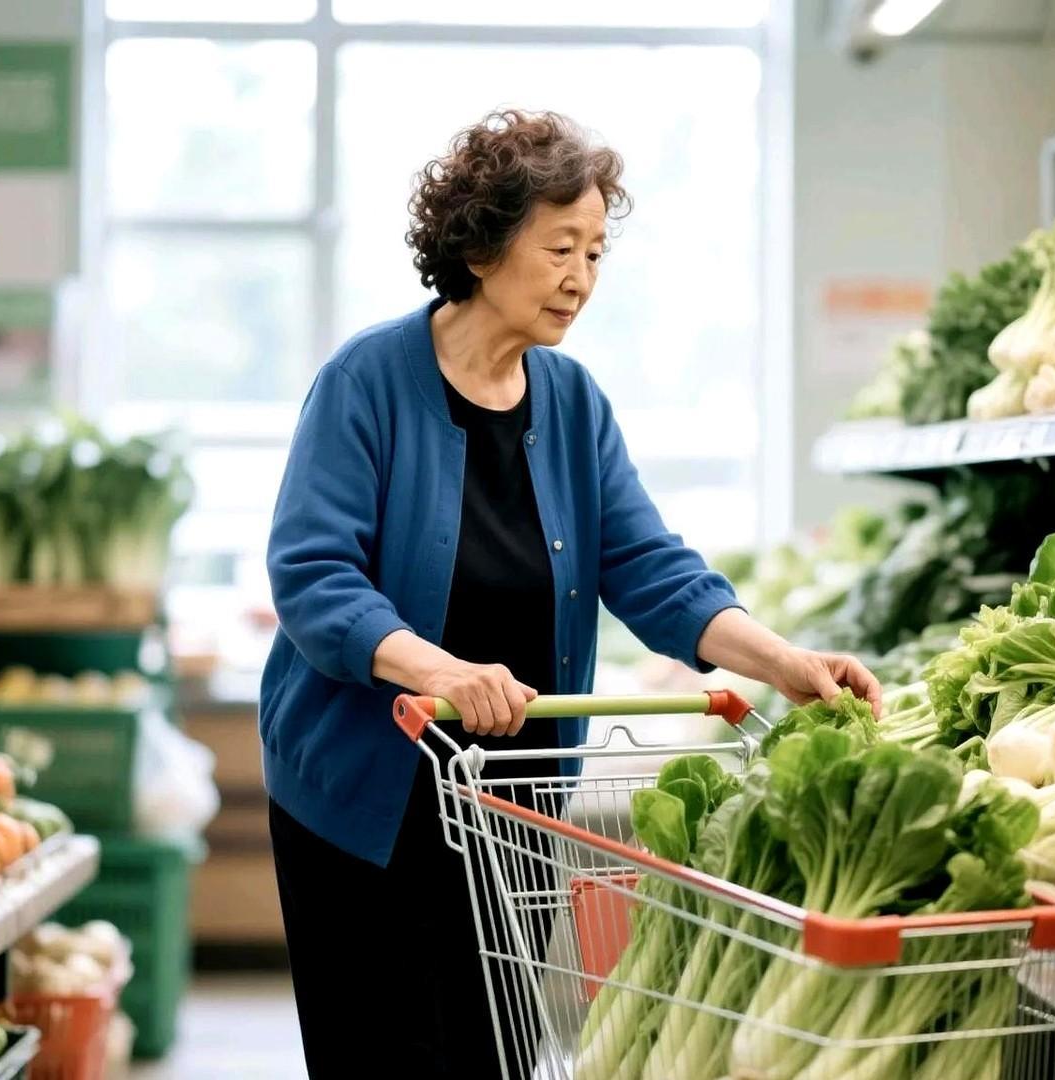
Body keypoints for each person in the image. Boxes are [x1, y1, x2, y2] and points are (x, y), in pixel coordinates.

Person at [260, 108, 881, 1079]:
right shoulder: (366, 383)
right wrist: (445, 673)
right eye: (559, 247)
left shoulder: (572, 400)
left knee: (488, 1051)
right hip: (361, 797)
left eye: (594, 251)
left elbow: (649, 567)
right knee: (384, 1051)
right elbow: (313, 578)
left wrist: (783, 661)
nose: (580, 276)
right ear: (479, 242)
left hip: (505, 802)